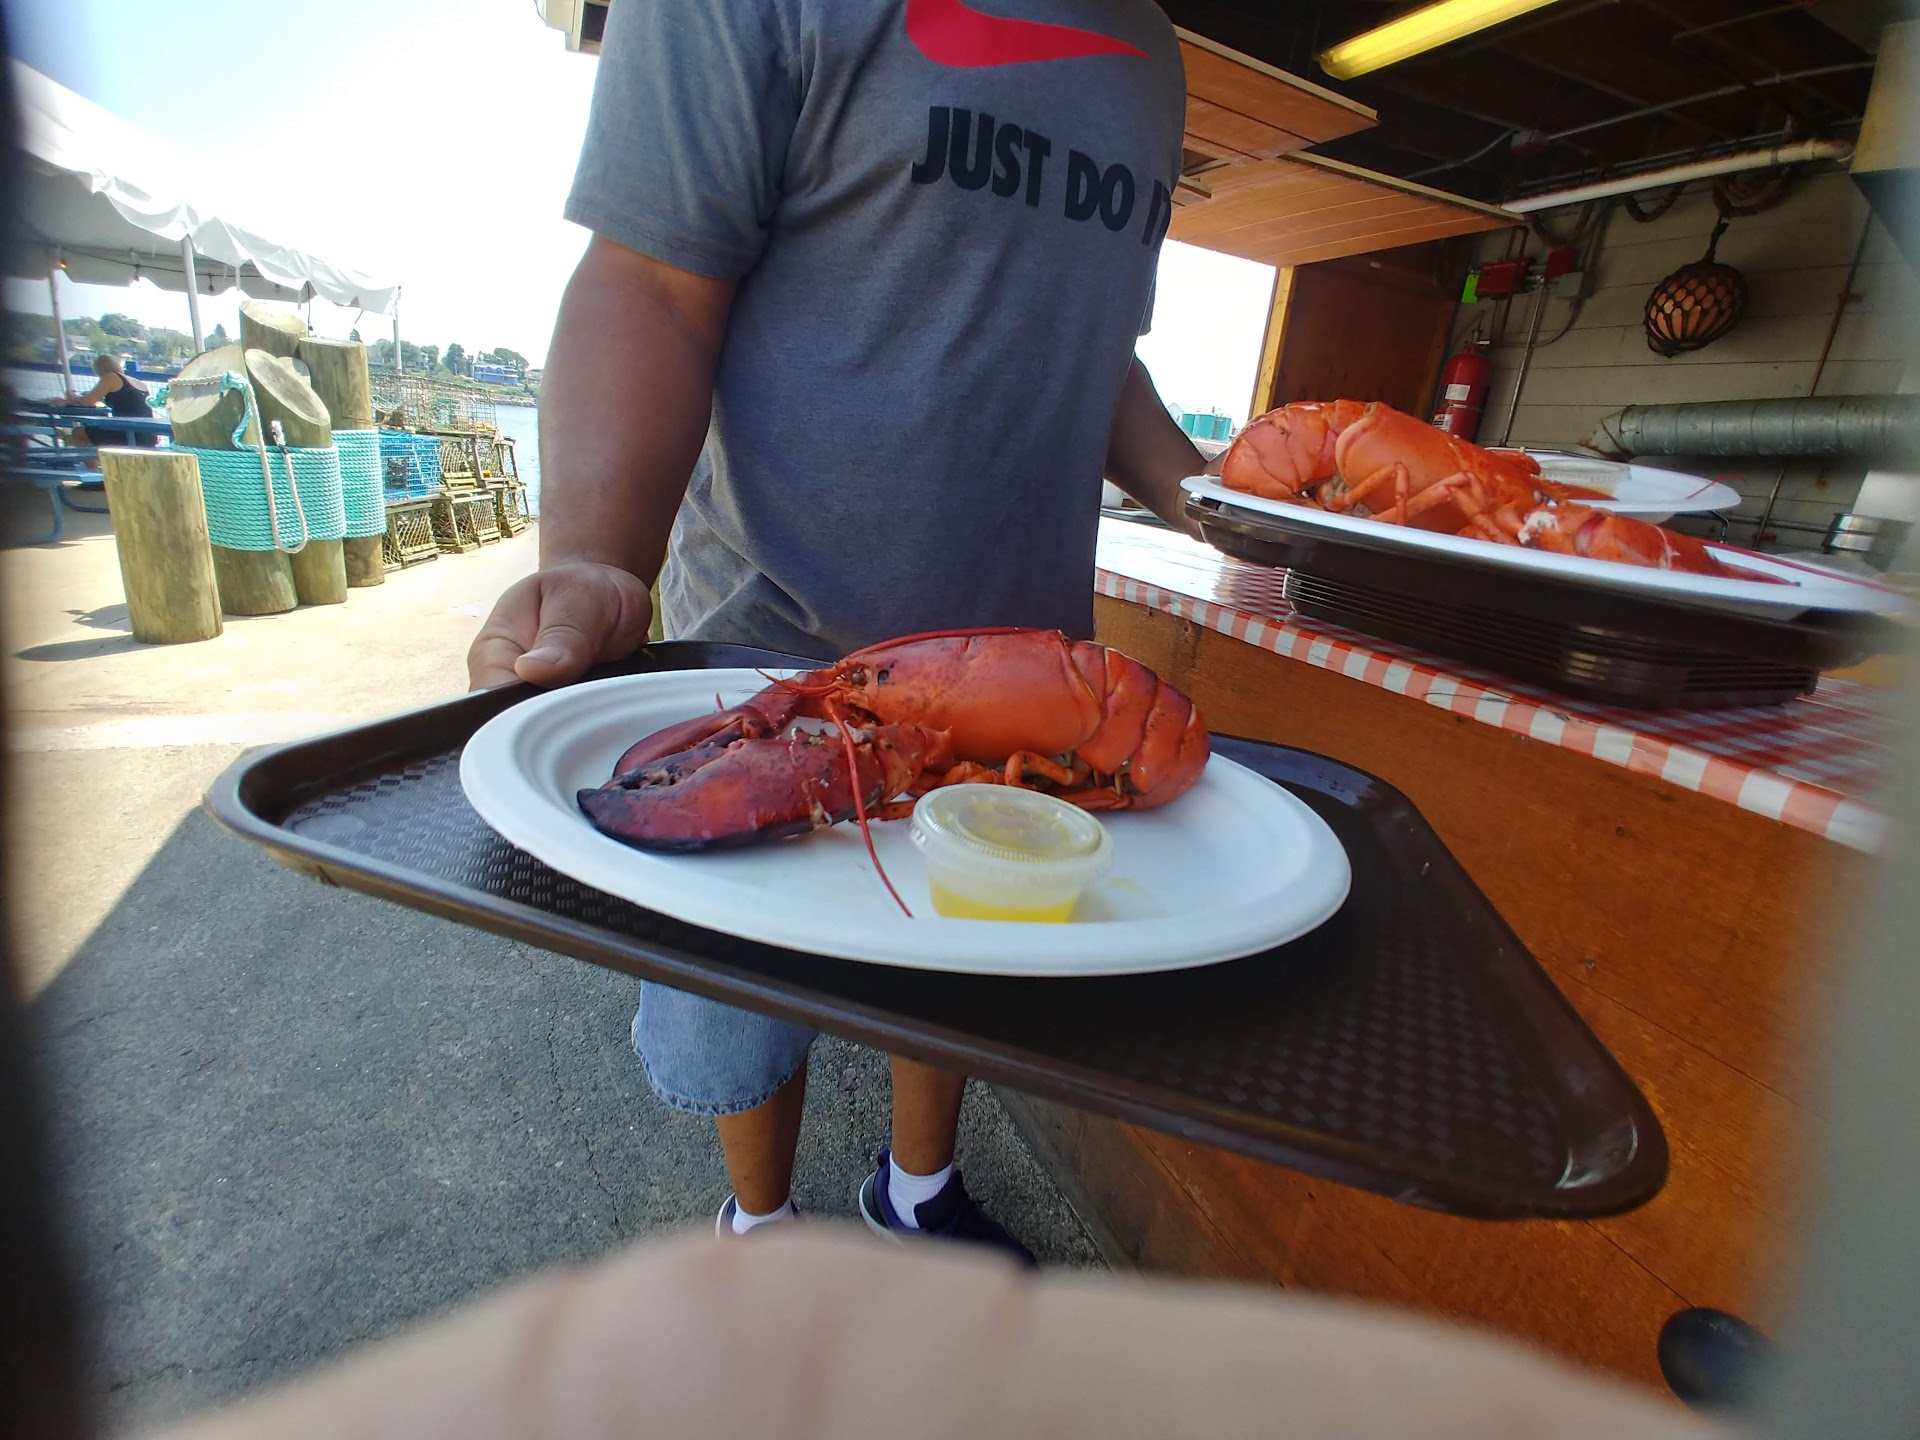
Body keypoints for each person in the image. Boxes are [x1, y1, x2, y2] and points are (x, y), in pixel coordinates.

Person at [468, 0, 1212, 1259]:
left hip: (1042, 661)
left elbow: (1100, 355)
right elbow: (650, 275)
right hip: (771, 631)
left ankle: (916, 1194)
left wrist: (1218, 507)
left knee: (958, 956)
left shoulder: (1152, 53)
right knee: (742, 983)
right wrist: (596, 557)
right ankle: (760, 1225)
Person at [64, 353, 157, 447]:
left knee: (78, 432)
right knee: (94, 433)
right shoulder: (138, 382)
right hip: (149, 435)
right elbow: (126, 402)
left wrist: (72, 397)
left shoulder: (110, 377)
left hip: (129, 432)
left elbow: (86, 402)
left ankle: (96, 457)